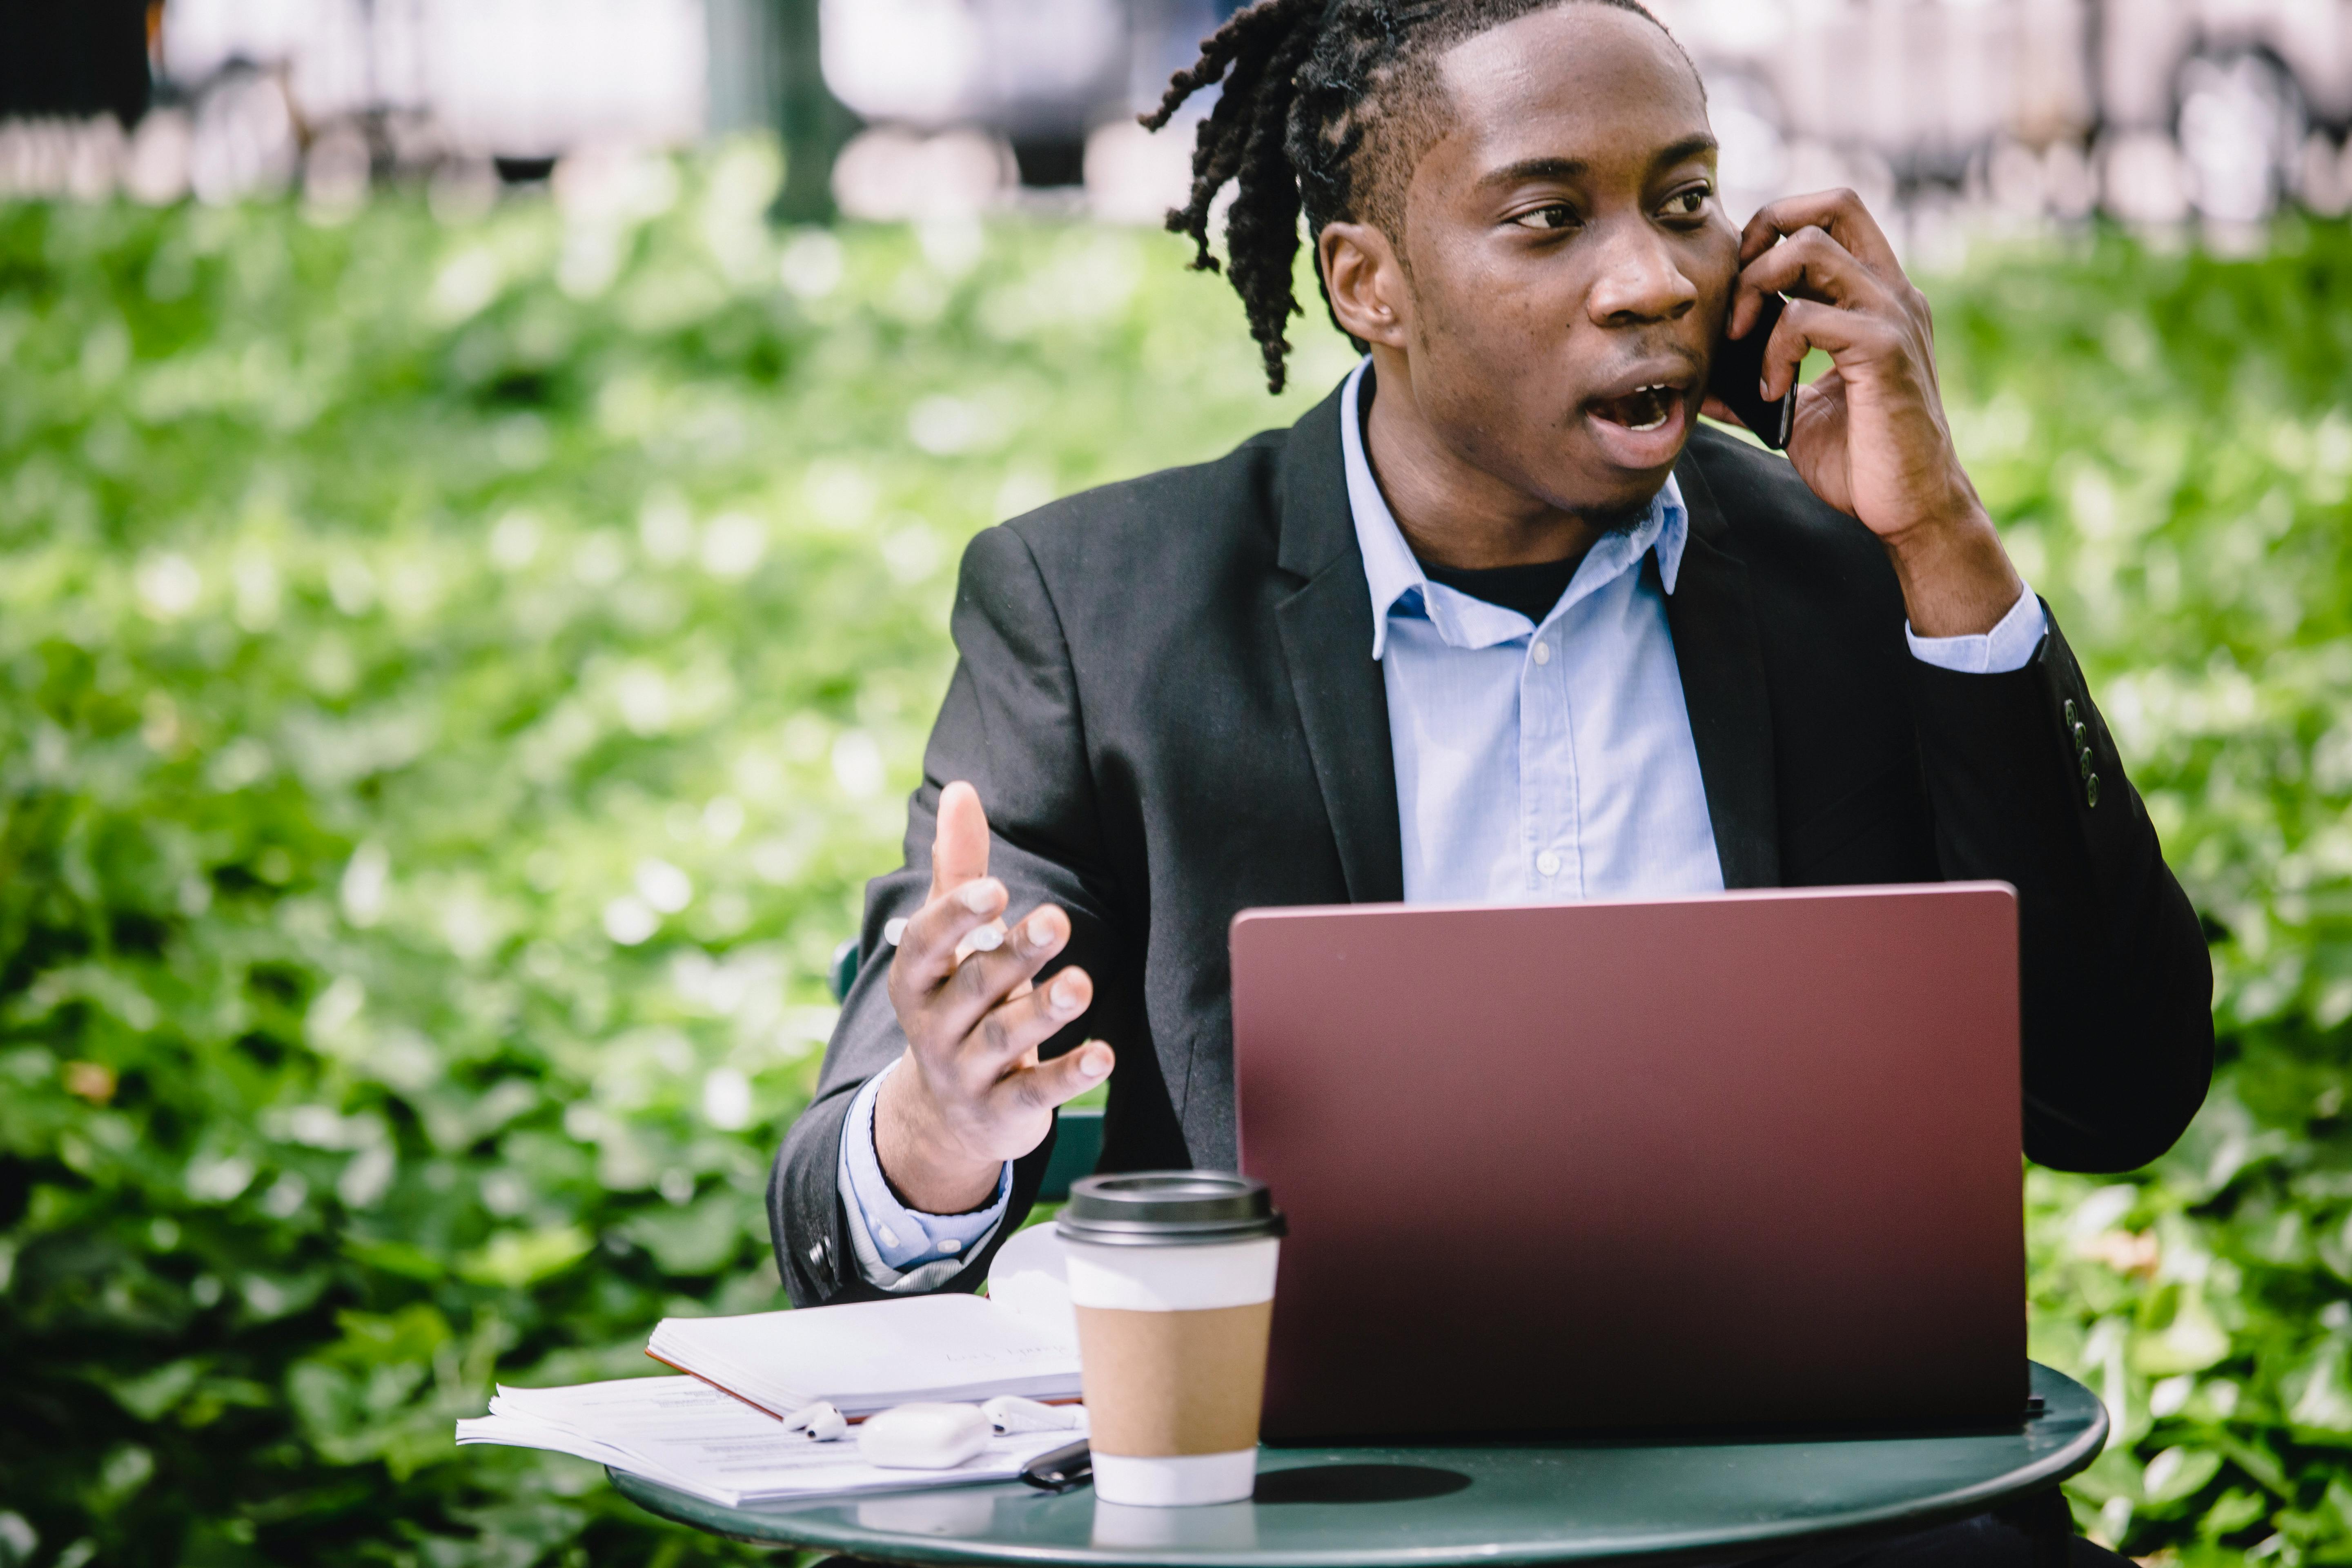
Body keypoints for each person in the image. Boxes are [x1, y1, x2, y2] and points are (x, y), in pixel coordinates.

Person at [771, 1, 2211, 1552]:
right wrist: (941, 1115)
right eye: (1549, 218)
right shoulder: (1101, 610)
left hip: (1827, 1520)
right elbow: (837, 1233)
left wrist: (1947, 547)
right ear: (1367, 283)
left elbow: (2119, 1091)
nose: (1655, 279)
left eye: (1683, 202)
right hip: (1328, 1531)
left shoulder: (1852, 569)